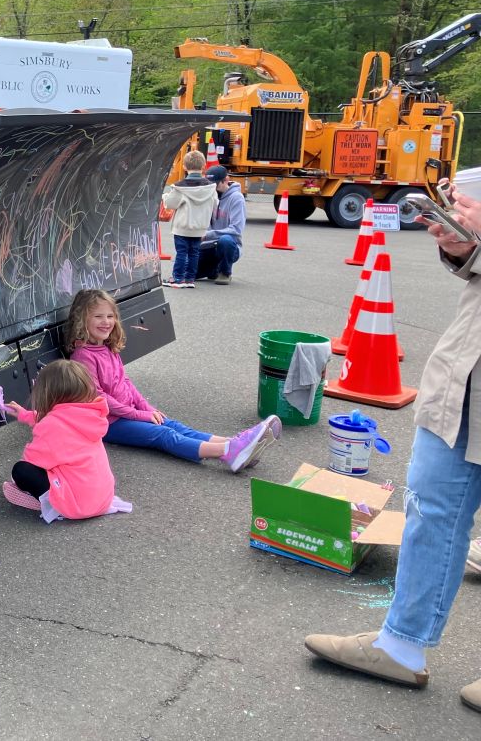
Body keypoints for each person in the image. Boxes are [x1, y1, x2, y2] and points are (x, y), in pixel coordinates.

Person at [304, 182, 481, 714]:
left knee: (436, 508)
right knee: (430, 507)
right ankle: (401, 645)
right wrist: (464, 244)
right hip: (464, 374)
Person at [67, 289, 278, 472]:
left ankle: (238, 444)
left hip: (128, 413)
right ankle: (228, 452)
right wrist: (139, 414)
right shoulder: (83, 356)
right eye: (98, 317)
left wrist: (148, 408)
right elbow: (98, 397)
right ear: (82, 319)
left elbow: (126, 382)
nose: (106, 322)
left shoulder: (107, 347)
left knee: (173, 424)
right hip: (109, 423)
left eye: (110, 316)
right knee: (164, 434)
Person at [0, 359, 126, 523]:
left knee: (21, 471)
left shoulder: (52, 425)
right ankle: (55, 499)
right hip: (102, 498)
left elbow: (32, 460)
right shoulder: (89, 414)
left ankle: (51, 505)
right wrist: (26, 415)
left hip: (77, 504)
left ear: (48, 393)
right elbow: (61, 418)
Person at [162, 150, 218, 288]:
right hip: (200, 227)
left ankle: (177, 278)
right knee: (194, 253)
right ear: (203, 166)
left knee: (181, 252)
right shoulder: (211, 187)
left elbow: (170, 204)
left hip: (183, 227)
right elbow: (216, 203)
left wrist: (164, 197)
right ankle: (190, 279)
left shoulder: (180, 188)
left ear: (185, 167)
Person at [196, 165, 245, 285]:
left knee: (226, 240)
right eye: (209, 185)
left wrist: (207, 235)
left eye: (215, 184)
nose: (212, 188)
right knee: (188, 271)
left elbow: (236, 229)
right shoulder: (209, 196)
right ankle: (213, 269)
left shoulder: (236, 198)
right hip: (207, 245)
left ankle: (225, 272)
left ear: (226, 180)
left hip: (229, 245)